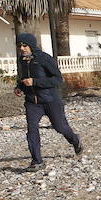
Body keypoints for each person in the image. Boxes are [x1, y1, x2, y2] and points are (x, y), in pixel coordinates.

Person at [14, 33, 82, 171]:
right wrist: (19, 87)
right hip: (32, 102)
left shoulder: (44, 59)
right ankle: (37, 161)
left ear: (31, 45)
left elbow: (57, 79)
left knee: (60, 127)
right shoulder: (21, 60)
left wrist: (36, 82)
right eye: (19, 46)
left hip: (51, 100)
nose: (22, 48)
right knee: (32, 129)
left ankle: (75, 140)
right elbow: (23, 78)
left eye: (25, 45)